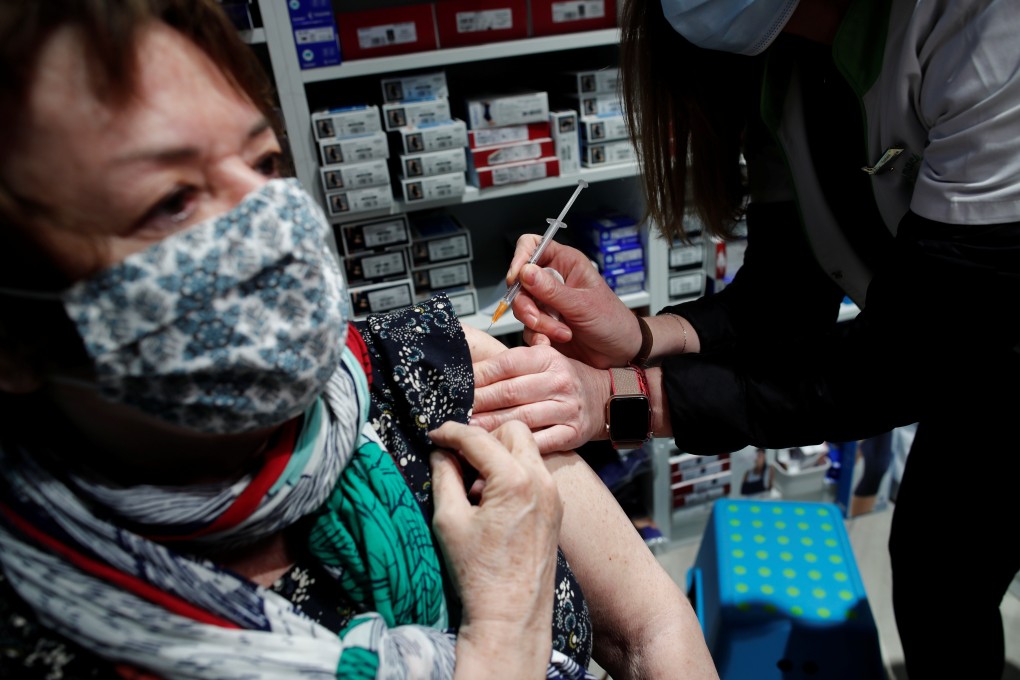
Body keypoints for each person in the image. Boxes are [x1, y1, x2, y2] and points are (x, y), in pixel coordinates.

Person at [0, 2, 720, 679]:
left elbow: (653, 628)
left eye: (265, 164)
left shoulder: (419, 363)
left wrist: (634, 361)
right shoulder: (39, 636)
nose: (275, 226)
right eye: (172, 202)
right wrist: (501, 640)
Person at [469, 0, 1020, 677]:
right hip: (969, 364)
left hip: (980, 343)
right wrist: (637, 338)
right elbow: (787, 297)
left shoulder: (985, 29)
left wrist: (618, 399)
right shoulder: (782, 58)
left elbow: (904, 361)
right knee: (939, 572)